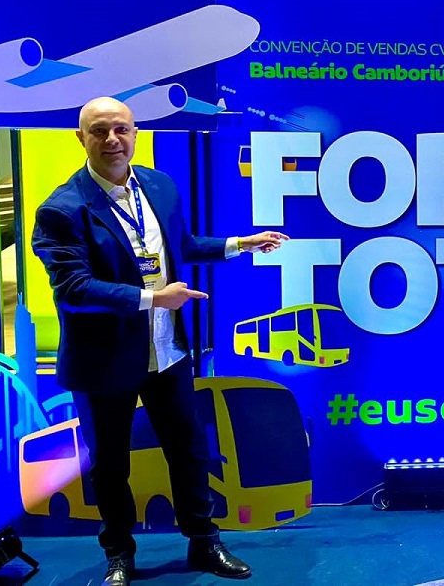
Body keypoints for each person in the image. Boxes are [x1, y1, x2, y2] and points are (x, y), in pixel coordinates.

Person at [31, 97, 284, 585]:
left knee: (190, 450)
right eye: (99, 131)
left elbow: (178, 246)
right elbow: (74, 289)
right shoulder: (62, 210)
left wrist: (239, 245)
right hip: (105, 360)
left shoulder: (159, 185)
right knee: (111, 465)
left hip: (167, 353)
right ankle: (119, 554)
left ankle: (204, 542)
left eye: (121, 129)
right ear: (80, 138)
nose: (112, 140)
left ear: (135, 132)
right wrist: (154, 299)